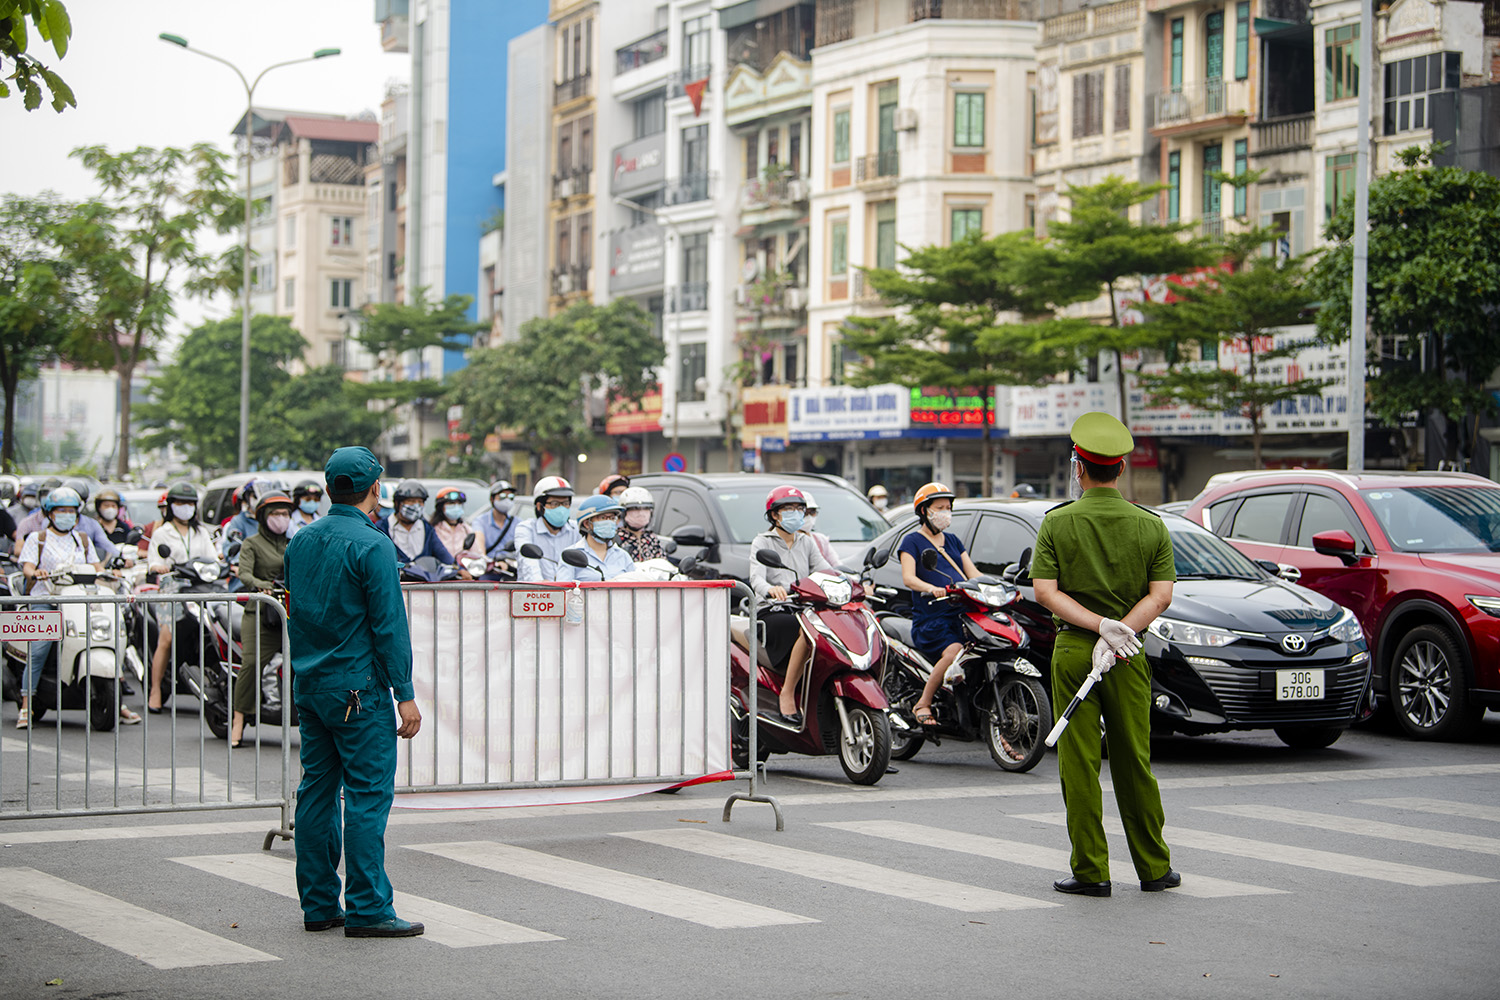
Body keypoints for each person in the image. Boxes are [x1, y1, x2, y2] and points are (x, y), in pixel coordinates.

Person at [1031, 411, 1178, 898]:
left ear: (1079, 467)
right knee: (1135, 759)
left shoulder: (1057, 523)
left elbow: (1046, 594)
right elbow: (1161, 596)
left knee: (1079, 763)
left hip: (1076, 652)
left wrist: (1096, 626)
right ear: (1119, 469)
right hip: (1129, 652)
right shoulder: (1151, 526)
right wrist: (1120, 631)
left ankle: (1092, 871)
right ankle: (1154, 869)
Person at [283, 446, 424, 938]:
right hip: (359, 692)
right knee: (365, 797)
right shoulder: (373, 544)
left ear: (328, 489)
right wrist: (403, 692)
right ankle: (367, 907)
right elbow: (389, 626)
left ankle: (319, 905)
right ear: (375, 490)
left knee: (317, 793)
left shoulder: (300, 541)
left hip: (312, 686)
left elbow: (297, 614)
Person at [15, 487, 105, 728]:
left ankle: (116, 702)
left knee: (102, 637)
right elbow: (27, 567)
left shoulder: (83, 540)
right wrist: (36, 572)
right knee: (40, 649)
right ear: (50, 514)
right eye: (61, 511)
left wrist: (110, 573)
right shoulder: (38, 539)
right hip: (46, 600)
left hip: (78, 601)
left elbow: (96, 567)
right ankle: (26, 705)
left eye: (71, 511)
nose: (67, 515)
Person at [897, 483, 982, 727]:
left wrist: (999, 587)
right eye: (939, 508)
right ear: (924, 511)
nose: (946, 512)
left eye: (948, 507)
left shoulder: (954, 541)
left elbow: (973, 573)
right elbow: (908, 578)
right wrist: (930, 588)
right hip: (932, 619)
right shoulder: (911, 541)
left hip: (962, 614)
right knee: (954, 650)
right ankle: (923, 703)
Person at [749, 485, 833, 727]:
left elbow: (825, 569)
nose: (796, 513)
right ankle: (787, 692)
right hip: (772, 610)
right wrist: (770, 590)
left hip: (802, 607)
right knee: (808, 632)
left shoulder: (806, 542)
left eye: (799, 509)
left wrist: (852, 582)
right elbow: (756, 578)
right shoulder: (762, 541)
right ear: (775, 514)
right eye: (789, 509)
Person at [146, 481, 219, 713]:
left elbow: (212, 559)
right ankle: (155, 690)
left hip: (200, 589)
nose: (185, 507)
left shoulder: (201, 532)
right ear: (170, 506)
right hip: (172, 590)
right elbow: (153, 562)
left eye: (189, 503)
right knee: (166, 639)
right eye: (180, 503)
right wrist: (159, 567)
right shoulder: (161, 533)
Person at [230, 491, 293, 748]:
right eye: (276, 514)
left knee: (303, 665)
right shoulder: (252, 543)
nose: (281, 518)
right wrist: (263, 586)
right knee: (252, 663)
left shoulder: (294, 542)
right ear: (264, 516)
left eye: (286, 514)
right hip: (261, 614)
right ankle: (238, 719)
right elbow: (244, 574)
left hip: (290, 615)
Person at [515, 476, 581, 582]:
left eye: (565, 503)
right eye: (555, 504)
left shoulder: (576, 529)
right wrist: (540, 584)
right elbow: (529, 564)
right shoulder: (526, 529)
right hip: (534, 594)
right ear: (539, 506)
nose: (561, 509)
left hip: (571, 594)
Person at [375, 480, 455, 567]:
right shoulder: (382, 528)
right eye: (411, 501)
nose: (416, 506)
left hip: (423, 579)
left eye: (420, 502)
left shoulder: (427, 528)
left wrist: (458, 568)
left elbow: (443, 554)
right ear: (398, 503)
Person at [558, 495, 637, 581]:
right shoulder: (571, 556)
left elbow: (636, 586)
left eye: (612, 518)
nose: (609, 522)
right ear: (587, 524)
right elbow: (563, 590)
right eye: (603, 518)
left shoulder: (623, 555)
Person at [428, 487, 483, 562]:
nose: (456, 507)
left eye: (459, 504)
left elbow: (478, 555)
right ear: (441, 507)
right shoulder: (432, 530)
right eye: (451, 503)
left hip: (464, 572)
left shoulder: (466, 530)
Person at [615, 486, 664, 564]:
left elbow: (662, 563)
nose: (641, 513)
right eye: (635, 509)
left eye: (646, 509)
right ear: (624, 512)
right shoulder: (616, 539)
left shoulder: (651, 539)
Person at [800, 491, 839, 567]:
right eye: (805, 513)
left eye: (812, 512)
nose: (809, 517)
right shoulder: (788, 541)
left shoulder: (820, 540)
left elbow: (836, 565)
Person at [222, 481, 260, 552]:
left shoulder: (269, 521)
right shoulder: (237, 522)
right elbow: (231, 551)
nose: (259, 499)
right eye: (255, 496)